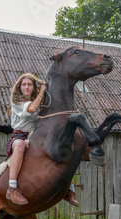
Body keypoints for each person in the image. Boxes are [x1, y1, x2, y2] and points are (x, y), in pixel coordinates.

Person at [5, 73, 79, 207]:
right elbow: (31, 109)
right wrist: (42, 91)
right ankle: (12, 188)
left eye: (29, 85)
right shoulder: (17, 101)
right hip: (19, 136)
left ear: (33, 87)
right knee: (20, 145)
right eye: (24, 85)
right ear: (20, 87)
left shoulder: (38, 101)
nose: (26, 87)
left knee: (61, 147)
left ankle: (69, 190)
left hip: (34, 136)